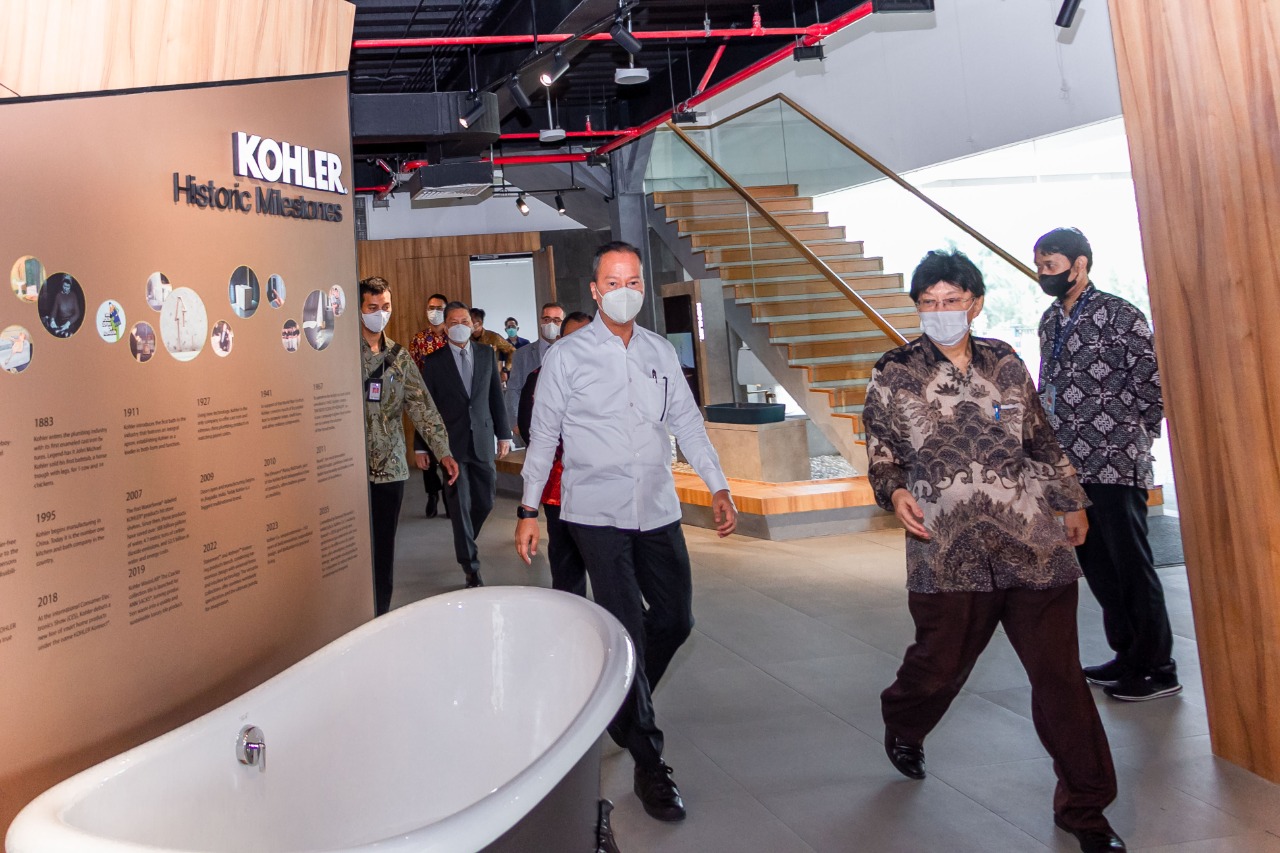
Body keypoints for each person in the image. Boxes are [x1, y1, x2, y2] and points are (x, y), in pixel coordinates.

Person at [863, 249, 1123, 853]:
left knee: (1060, 679)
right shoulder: (894, 370)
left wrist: (1071, 500)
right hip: (946, 545)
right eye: (928, 302)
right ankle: (905, 720)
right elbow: (881, 450)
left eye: (951, 300)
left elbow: (1039, 437)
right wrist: (895, 490)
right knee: (939, 666)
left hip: (1030, 540)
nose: (940, 311)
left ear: (975, 304)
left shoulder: (1005, 362)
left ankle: (1085, 808)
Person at [516, 241, 738, 824]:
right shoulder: (566, 358)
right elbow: (543, 437)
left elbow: (687, 422)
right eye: (612, 282)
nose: (624, 291)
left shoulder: (660, 352)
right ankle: (649, 759)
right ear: (594, 290)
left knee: (675, 618)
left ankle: (618, 702)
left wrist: (717, 484)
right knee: (628, 625)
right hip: (595, 513)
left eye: (632, 281)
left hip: (657, 507)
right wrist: (528, 509)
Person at [1033, 227, 1179, 702]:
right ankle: (1127, 654)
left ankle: (1159, 668)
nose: (1043, 274)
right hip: (1071, 465)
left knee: (1130, 564)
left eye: (1051, 265)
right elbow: (1048, 386)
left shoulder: (1120, 314)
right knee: (1097, 565)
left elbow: (1152, 384)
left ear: (1079, 265)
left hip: (1116, 459)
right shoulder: (1050, 321)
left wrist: (1131, 436)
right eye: (1039, 266)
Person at [359, 276, 458, 616]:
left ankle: (379, 614)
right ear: (359, 309)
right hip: (348, 471)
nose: (380, 314)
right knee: (349, 549)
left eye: (385, 307)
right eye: (373, 307)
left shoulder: (400, 358)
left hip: (390, 470)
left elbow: (422, 407)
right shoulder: (341, 356)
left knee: (383, 547)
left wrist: (443, 451)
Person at [419, 301, 512, 588]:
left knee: (485, 500)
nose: (460, 326)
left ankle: (466, 536)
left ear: (472, 326)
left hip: (482, 440)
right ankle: (471, 567)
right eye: (454, 322)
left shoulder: (486, 354)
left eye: (464, 322)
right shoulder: (434, 362)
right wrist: (422, 447)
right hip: (451, 447)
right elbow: (425, 408)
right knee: (459, 507)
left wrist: (504, 434)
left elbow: (495, 396)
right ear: (445, 327)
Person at [516, 311, 592, 595]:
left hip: (605, 489)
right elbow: (532, 430)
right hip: (558, 486)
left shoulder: (614, 378)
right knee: (567, 563)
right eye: (572, 339)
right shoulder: (539, 377)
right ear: (560, 341)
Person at [409, 292, 451, 518]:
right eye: (431, 307)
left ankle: (450, 496)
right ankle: (432, 494)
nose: (434, 312)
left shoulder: (453, 337)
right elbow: (413, 372)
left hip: (449, 401)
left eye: (439, 308)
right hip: (426, 401)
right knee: (428, 453)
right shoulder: (419, 340)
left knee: (448, 450)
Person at [505, 302, 566, 433]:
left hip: (566, 424)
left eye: (556, 320)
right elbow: (514, 389)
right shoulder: (522, 354)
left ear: (563, 323)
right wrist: (516, 422)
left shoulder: (570, 351)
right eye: (547, 319)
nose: (551, 324)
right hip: (532, 425)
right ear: (541, 321)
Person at [468, 307, 516, 380]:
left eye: (470, 322)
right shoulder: (466, 339)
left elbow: (512, 351)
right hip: (472, 377)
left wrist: (505, 369)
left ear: (479, 323)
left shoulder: (493, 337)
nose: (467, 325)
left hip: (492, 377)